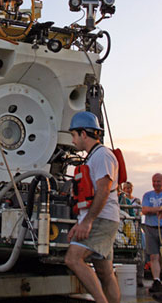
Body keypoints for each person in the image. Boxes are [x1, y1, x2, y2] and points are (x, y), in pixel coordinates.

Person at [65, 111, 120, 303]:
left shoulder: (103, 156)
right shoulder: (93, 157)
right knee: (105, 272)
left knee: (73, 259)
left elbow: (103, 191)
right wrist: (79, 222)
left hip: (101, 219)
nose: (72, 140)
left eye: (73, 135)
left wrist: (87, 222)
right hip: (100, 219)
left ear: (84, 134)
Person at [142, 173, 162, 293]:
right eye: (154, 181)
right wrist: (159, 209)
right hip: (150, 227)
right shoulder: (147, 195)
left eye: (158, 181)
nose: (156, 184)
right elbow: (145, 210)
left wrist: (152, 210)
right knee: (153, 256)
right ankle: (156, 279)